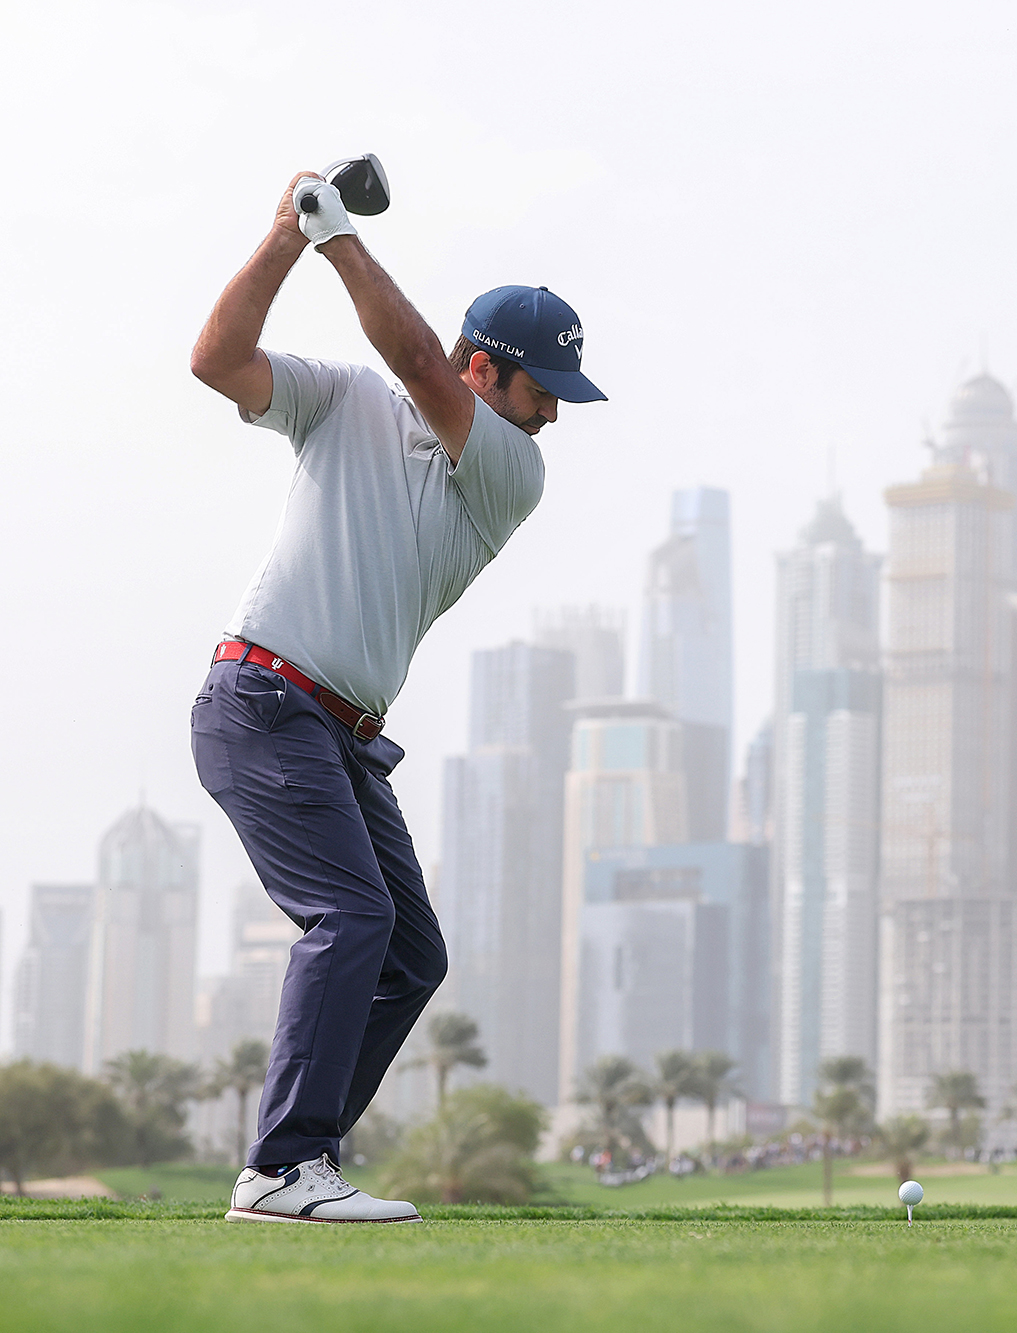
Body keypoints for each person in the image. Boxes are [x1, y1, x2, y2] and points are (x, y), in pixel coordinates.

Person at [188, 168, 606, 1223]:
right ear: (486, 369)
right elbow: (216, 361)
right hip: (262, 701)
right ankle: (283, 1169)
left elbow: (415, 360)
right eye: (542, 388)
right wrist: (291, 235)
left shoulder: (509, 471)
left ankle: (301, 1154)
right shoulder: (342, 398)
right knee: (351, 913)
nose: (553, 412)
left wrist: (336, 236)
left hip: (334, 734)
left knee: (409, 954)